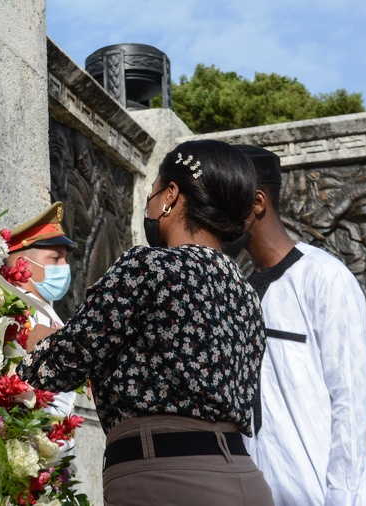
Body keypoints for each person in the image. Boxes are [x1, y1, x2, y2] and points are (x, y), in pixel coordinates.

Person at [17, 140, 273, 506]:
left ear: (171, 196)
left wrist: (35, 340)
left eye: (153, 192)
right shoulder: (245, 293)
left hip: (166, 479)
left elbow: (60, 366)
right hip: (243, 478)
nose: (149, 204)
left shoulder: (149, 267)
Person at [230, 145, 366, 506]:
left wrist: (342, 498)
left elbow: (350, 403)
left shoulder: (324, 278)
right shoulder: (239, 288)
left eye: (224, 200)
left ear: (257, 203)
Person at [4, 202, 78, 442]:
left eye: (64, 260)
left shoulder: (49, 313)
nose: (64, 268)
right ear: (21, 265)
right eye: (55, 259)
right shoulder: (12, 309)